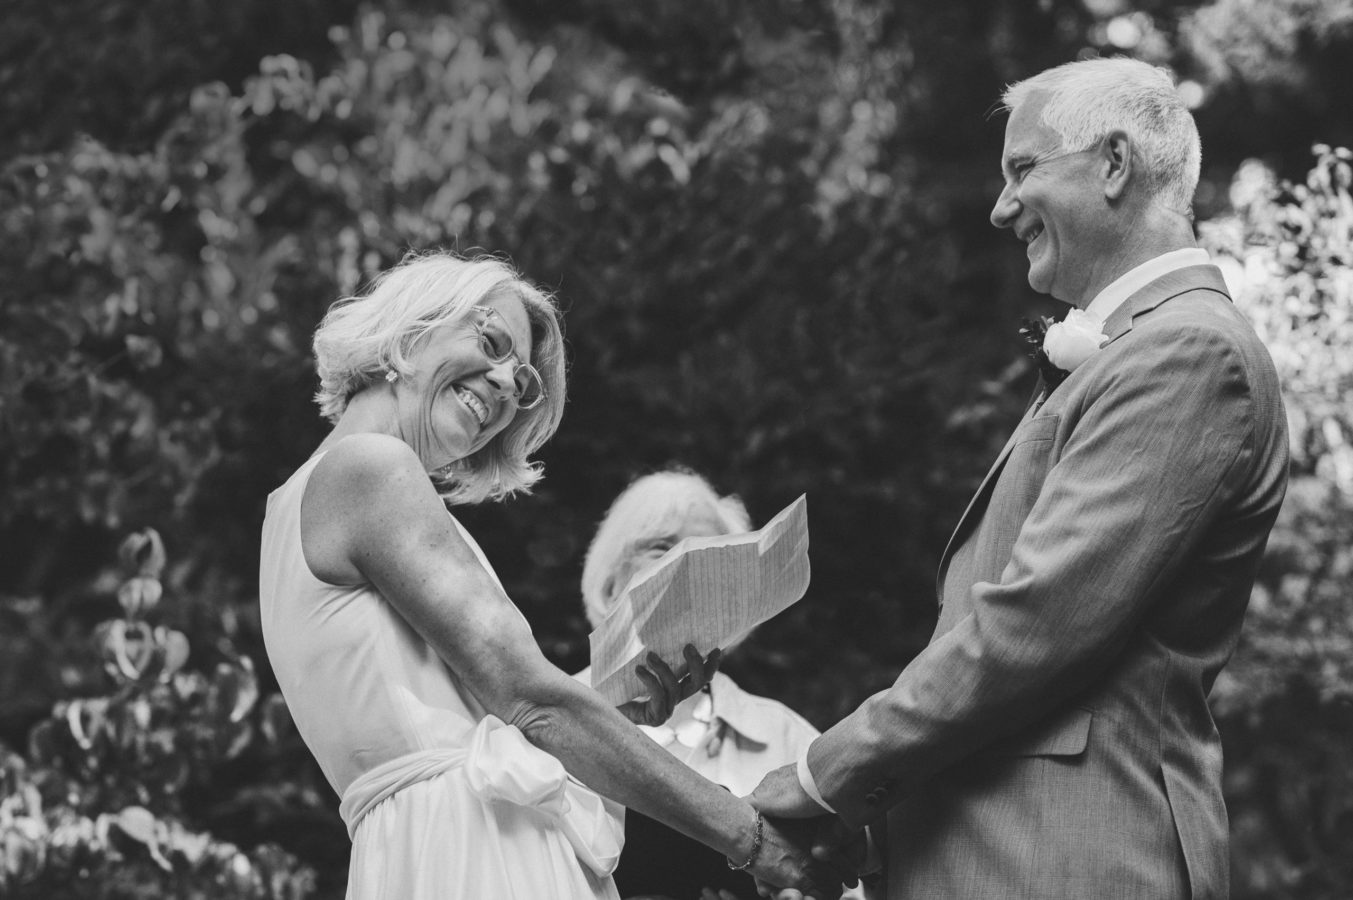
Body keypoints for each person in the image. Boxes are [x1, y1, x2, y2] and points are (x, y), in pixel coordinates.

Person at [750, 57, 1290, 900]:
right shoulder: (1137, 351)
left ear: (1112, 165)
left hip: (1074, 858)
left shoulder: (1189, 350)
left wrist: (824, 775)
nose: (1000, 207)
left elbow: (1035, 623)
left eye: (1021, 170)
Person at [258, 252, 844, 899]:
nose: (510, 383)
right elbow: (530, 700)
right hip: (476, 849)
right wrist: (750, 837)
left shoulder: (294, 502)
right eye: (491, 340)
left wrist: (619, 708)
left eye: (526, 382)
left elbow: (466, 723)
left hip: (420, 851)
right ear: (409, 330)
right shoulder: (372, 469)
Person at [577, 469, 827, 900]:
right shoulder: (535, 717)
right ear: (611, 578)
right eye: (661, 548)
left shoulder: (788, 738)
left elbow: (845, 880)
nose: (683, 569)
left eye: (708, 553)